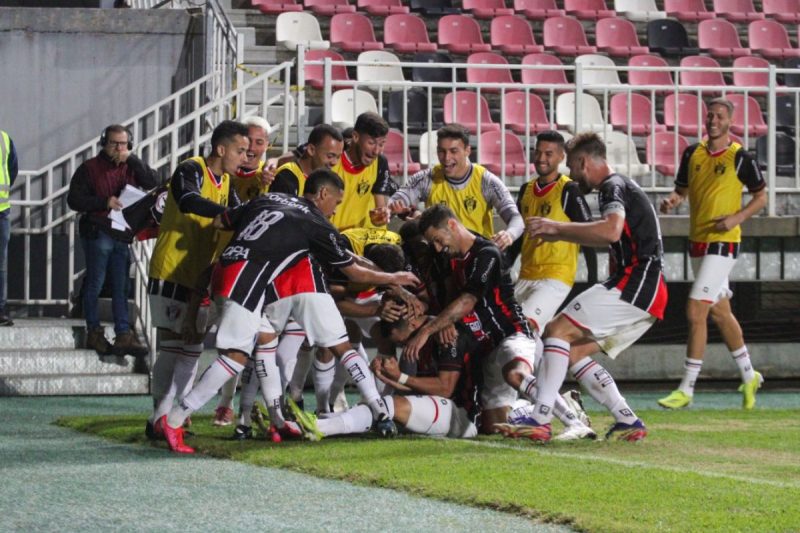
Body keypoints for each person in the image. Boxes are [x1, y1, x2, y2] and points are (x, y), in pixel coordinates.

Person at [157, 169, 420, 453]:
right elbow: (352, 269)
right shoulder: (316, 223)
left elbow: (221, 220)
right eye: (337, 202)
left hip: (226, 269)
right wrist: (395, 278)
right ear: (323, 194)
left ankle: (272, 419)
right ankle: (174, 419)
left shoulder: (268, 199)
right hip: (250, 280)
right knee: (235, 358)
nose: (335, 210)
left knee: (259, 351)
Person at [518, 132, 668, 443]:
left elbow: (611, 231)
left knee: (556, 331)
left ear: (584, 162)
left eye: (572, 166)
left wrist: (558, 229)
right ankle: (627, 419)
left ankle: (541, 418)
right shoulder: (622, 185)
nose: (572, 174)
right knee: (570, 351)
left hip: (637, 284)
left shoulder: (611, 186)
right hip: (647, 290)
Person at [658, 98, 767, 410]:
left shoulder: (740, 157)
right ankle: (749, 375)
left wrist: (735, 219)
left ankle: (687, 388)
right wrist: (672, 201)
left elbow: (761, 197)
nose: (713, 120)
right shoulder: (692, 153)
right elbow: (681, 191)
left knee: (696, 311)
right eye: (710, 115)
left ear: (729, 121)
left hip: (724, 242)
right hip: (699, 241)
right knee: (720, 312)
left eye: (719, 116)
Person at [145, 120, 249, 438]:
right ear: (220, 148)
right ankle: (158, 419)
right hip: (172, 269)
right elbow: (188, 200)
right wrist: (226, 213)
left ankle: (173, 416)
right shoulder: (191, 168)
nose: (245, 157)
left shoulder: (226, 182)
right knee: (173, 344)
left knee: (191, 346)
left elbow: (237, 216)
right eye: (240, 150)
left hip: (201, 275)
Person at [404, 204, 540, 437]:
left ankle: (565, 413)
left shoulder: (487, 253)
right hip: (485, 342)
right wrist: (443, 320)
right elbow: (452, 297)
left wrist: (428, 329)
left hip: (509, 332)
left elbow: (467, 300)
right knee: (491, 427)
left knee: (514, 374)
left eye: (437, 240)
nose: (436, 248)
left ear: (452, 225)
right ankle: (527, 410)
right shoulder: (452, 256)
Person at [67, 124, 158, 355]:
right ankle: (94, 331)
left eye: (124, 143)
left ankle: (123, 334)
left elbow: (152, 181)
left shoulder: (131, 165)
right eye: (114, 143)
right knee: (96, 282)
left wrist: (133, 159)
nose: (119, 148)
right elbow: (74, 200)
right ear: (104, 144)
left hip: (122, 231)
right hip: (98, 229)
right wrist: (103, 202)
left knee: (121, 285)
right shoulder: (89, 168)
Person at [507, 131, 593, 332]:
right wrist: (505, 267)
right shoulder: (526, 190)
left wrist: (591, 281)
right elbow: (520, 237)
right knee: (516, 334)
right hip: (526, 274)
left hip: (555, 275)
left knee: (523, 327)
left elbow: (589, 233)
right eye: (538, 153)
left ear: (561, 157)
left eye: (548, 154)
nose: (541, 159)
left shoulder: (568, 190)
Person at [388, 123, 523, 251]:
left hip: (476, 258)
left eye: (453, 151)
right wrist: (391, 209)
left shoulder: (486, 181)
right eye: (441, 151)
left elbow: (516, 218)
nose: (446, 158)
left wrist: (509, 235)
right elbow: (396, 200)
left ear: (467, 151)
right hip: (440, 258)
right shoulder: (426, 178)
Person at [330, 112, 396, 230]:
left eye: (381, 144)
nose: (376, 151)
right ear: (355, 137)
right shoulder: (332, 159)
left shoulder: (380, 162)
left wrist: (381, 216)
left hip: (361, 237)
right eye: (371, 143)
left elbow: (379, 212)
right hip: (333, 237)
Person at [270, 124, 344, 196]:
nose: (335, 162)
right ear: (311, 150)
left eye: (338, 157)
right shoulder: (286, 178)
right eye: (330, 156)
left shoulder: (324, 180)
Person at [230, 116, 278, 202]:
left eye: (259, 142)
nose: (251, 147)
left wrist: (276, 160)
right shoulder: (224, 170)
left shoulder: (270, 174)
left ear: (267, 145)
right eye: (248, 140)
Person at [0, 129, 18, 326]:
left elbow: (11, 171)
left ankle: (0, 309)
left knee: (1, 265)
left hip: (1, 210)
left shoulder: (4, 138)